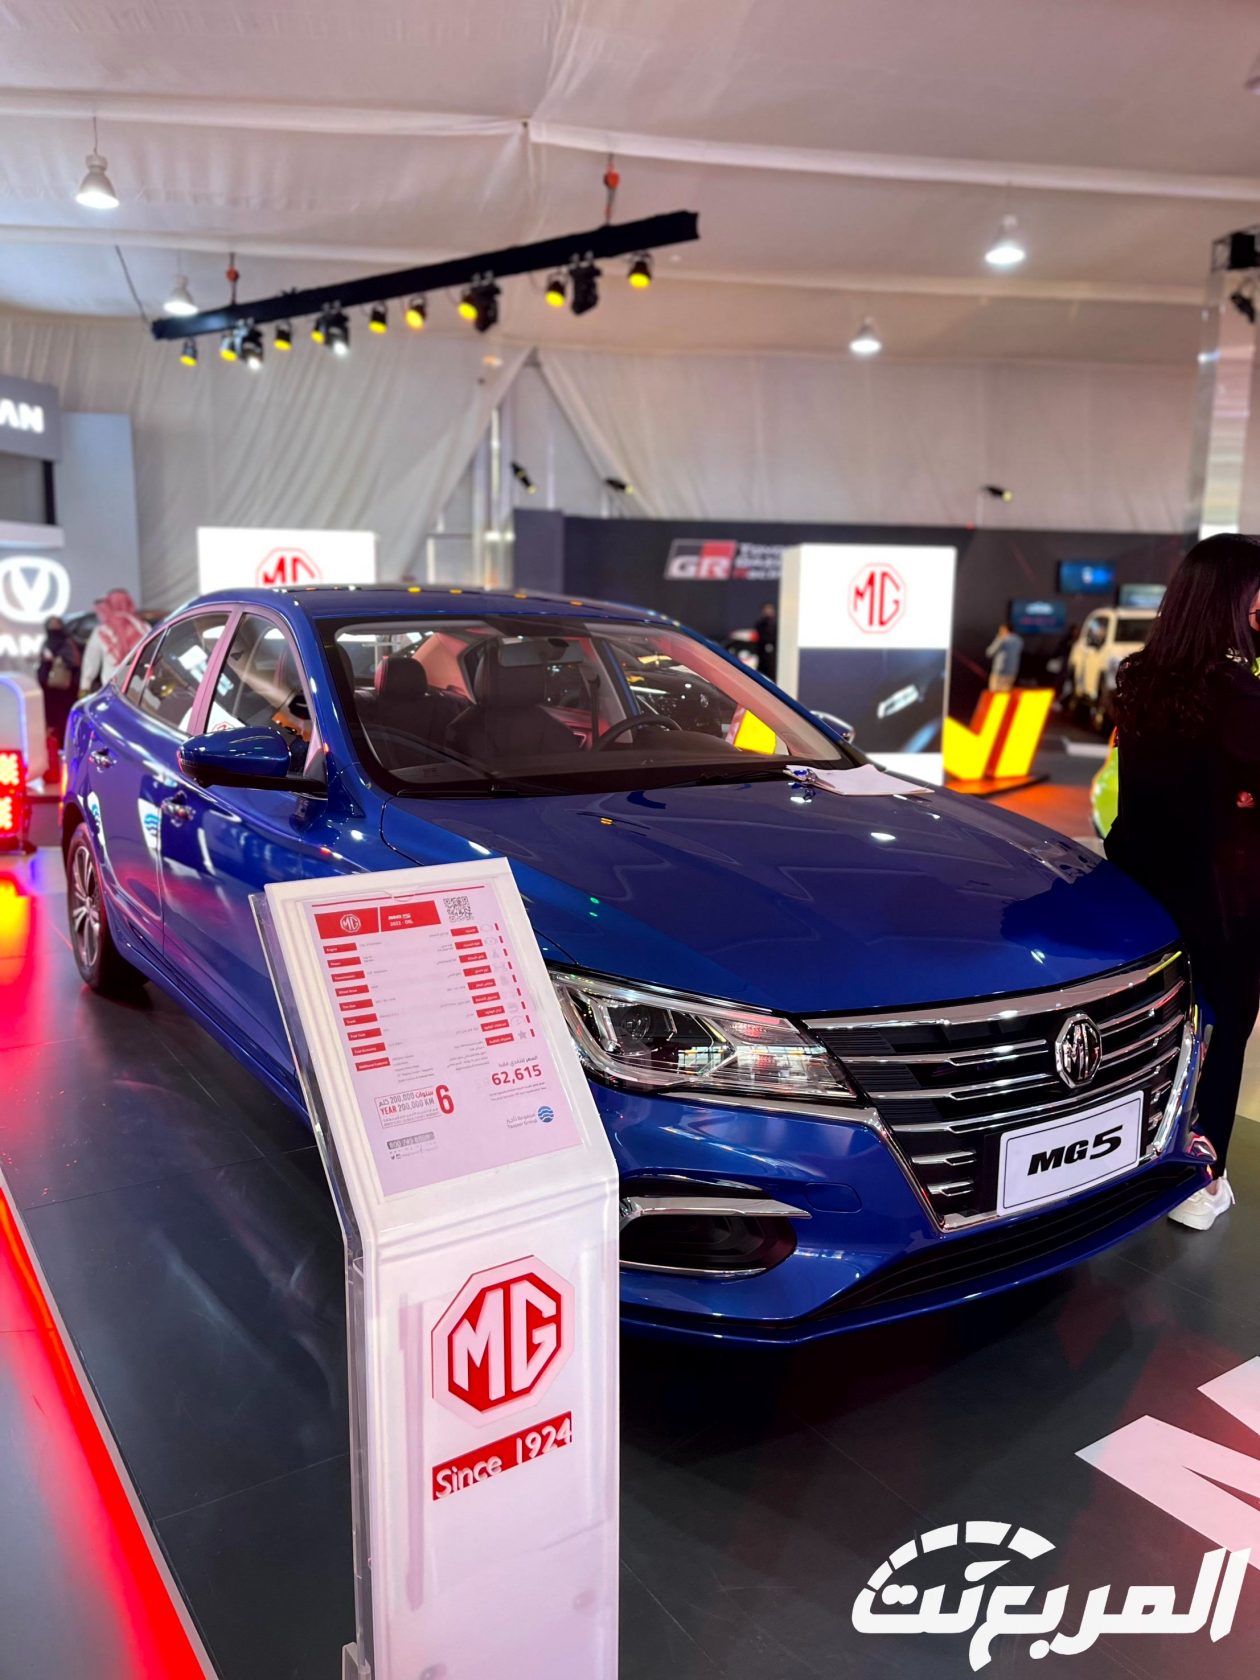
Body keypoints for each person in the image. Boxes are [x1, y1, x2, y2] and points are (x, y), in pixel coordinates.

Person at [1107, 533, 1260, 1230]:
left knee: (1152, 1032)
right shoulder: (1241, 695)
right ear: (1236, 601)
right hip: (1225, 903)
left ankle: (1132, 1156)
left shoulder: (1142, 679)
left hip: (1139, 887)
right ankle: (1202, 1180)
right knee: (1223, 1036)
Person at [80, 589, 147, 693]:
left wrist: (84, 688)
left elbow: (90, 663)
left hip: (114, 691)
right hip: (143, 691)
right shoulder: (143, 627)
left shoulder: (102, 631)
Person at [35, 615, 81, 763]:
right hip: (51, 690)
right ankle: (56, 750)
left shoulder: (66, 643)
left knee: (63, 720)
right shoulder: (50, 642)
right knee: (54, 721)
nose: (53, 629)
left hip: (63, 691)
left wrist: (55, 658)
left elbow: (73, 662)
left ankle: (64, 749)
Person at [985, 621, 1023, 691]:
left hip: (999, 672)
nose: (999, 632)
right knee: (1005, 694)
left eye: (1000, 630)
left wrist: (998, 639)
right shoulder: (1019, 640)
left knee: (995, 694)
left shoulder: (1002, 639)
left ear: (1005, 630)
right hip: (1012, 672)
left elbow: (989, 653)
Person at [754, 600, 777, 682]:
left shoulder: (777, 626)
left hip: (774, 660)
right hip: (762, 659)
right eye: (766, 610)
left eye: (769, 610)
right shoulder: (759, 625)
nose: (767, 612)